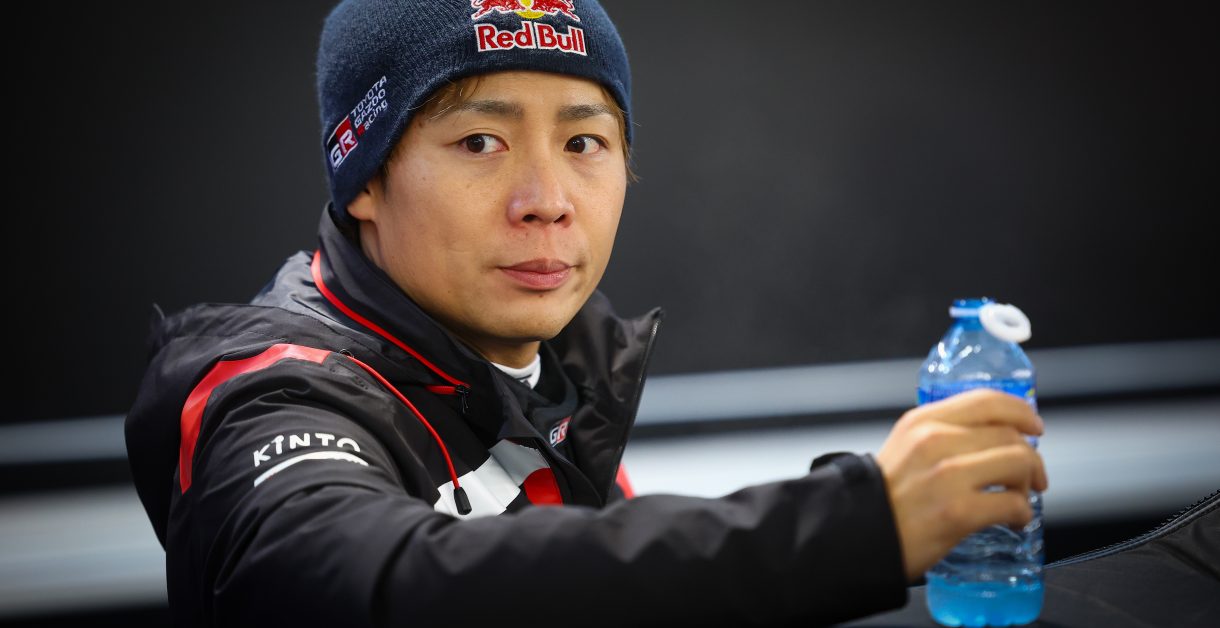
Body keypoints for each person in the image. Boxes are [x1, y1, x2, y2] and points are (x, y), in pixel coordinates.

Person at [125, 1, 1047, 625]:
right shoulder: (273, 397)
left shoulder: (552, 362)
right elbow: (382, 586)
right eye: (479, 141)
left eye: (584, 142)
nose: (548, 200)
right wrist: (844, 528)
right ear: (364, 178)